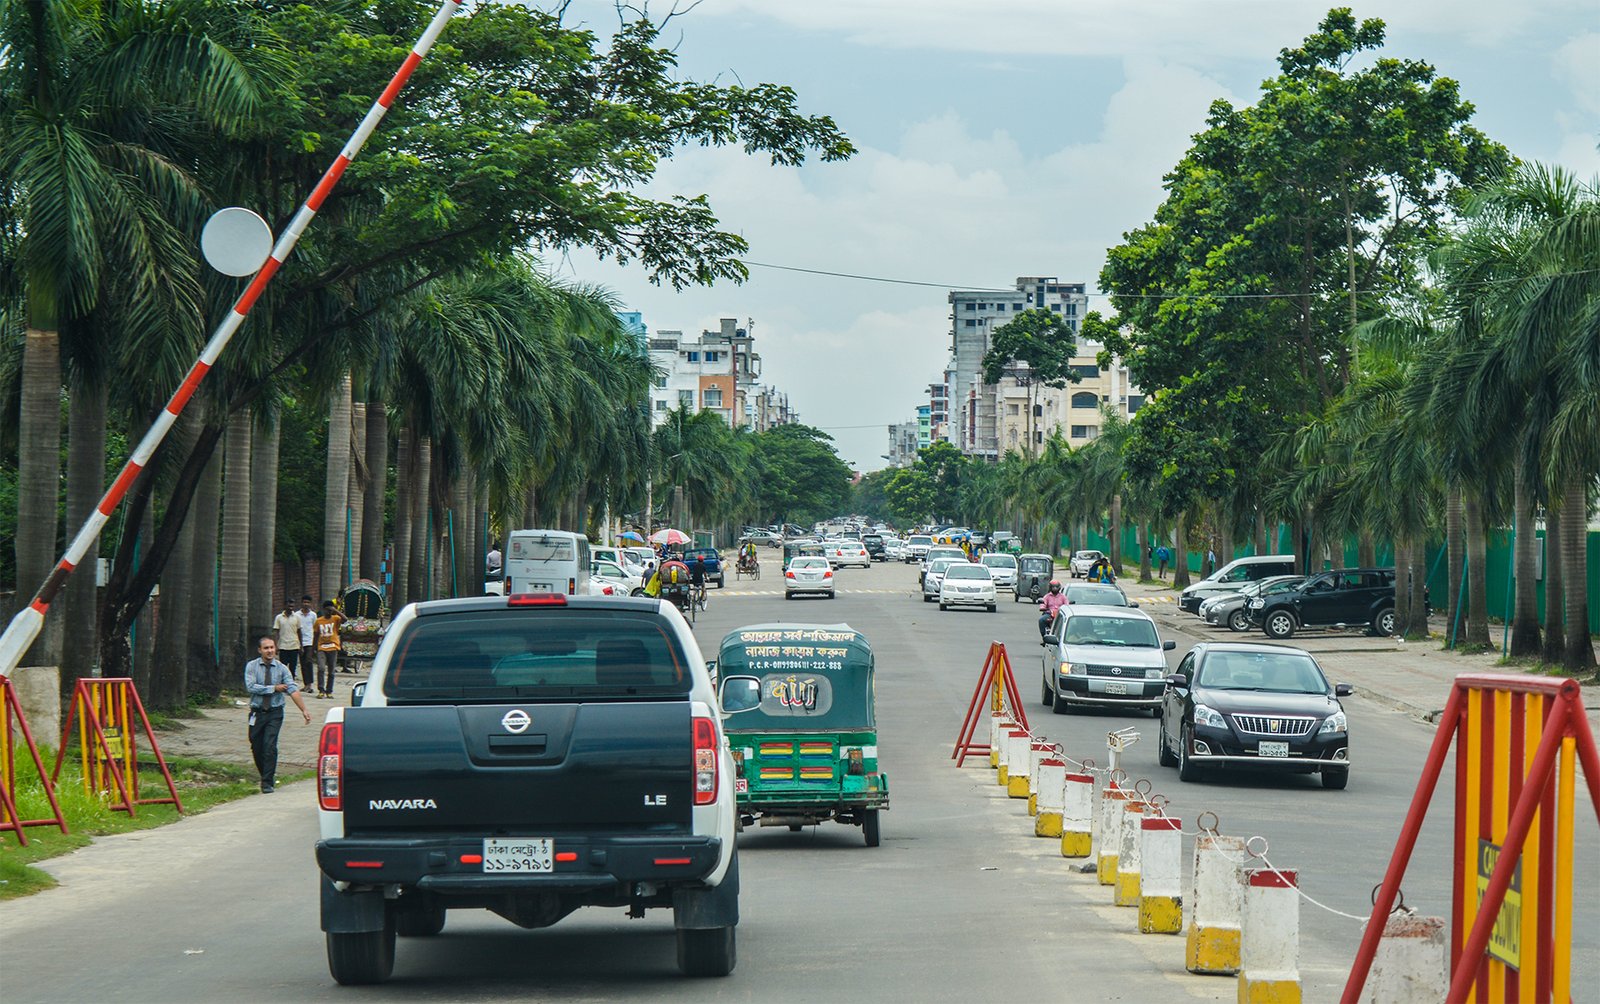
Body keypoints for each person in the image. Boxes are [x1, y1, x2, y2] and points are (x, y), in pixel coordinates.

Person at [244, 635, 311, 793]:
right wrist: (273, 688)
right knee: (257, 746)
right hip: (257, 713)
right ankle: (265, 774)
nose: (270, 651)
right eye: (266, 648)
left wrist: (304, 710)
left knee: (270, 745)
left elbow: (292, 689)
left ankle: (267, 782)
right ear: (260, 650)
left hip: (275, 712)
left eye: (272, 647)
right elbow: (251, 687)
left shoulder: (282, 668)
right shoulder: (252, 666)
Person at [313, 600, 345, 698]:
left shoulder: (336, 618)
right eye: (327, 610)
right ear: (323, 610)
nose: (329, 612)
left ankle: (329, 691)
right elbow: (316, 635)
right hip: (321, 647)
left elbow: (345, 619)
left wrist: (335, 610)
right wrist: (314, 648)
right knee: (321, 668)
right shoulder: (319, 621)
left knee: (331, 670)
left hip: (333, 647)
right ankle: (321, 690)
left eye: (330, 610)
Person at [271, 601, 304, 689]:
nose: (291, 608)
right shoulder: (279, 617)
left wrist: (301, 645)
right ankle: (283, 685)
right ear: (285, 606)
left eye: (292, 606)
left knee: (293, 667)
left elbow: (299, 632)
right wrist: (275, 645)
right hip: (283, 646)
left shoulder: (297, 617)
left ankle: (291, 685)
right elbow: (276, 632)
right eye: (289, 606)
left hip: (294, 645)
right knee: (283, 667)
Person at [295, 595, 316, 686]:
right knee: (303, 663)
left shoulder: (313, 615)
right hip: (299, 642)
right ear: (301, 603)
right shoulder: (296, 615)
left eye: (308, 602)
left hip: (310, 641)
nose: (306, 604)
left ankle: (309, 684)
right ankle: (306, 684)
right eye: (304, 602)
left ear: (311, 604)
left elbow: (315, 628)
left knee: (308, 661)